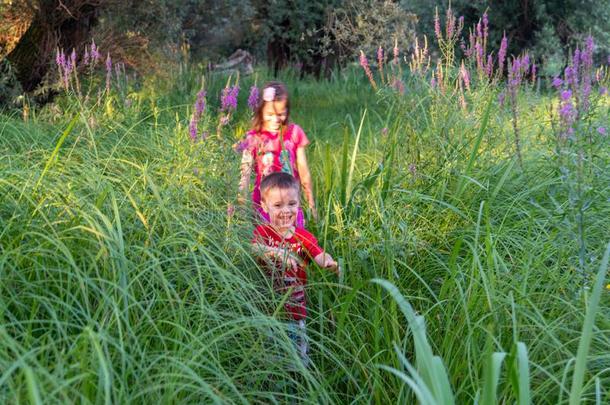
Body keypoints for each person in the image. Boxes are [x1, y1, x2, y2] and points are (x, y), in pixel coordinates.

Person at [252, 172, 339, 366]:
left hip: (295, 309)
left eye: (291, 204)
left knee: (297, 353)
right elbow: (253, 248)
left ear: (298, 203)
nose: (286, 211)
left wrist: (329, 262)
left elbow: (319, 254)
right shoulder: (263, 233)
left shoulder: (303, 237)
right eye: (277, 205)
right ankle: (273, 380)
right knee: (271, 352)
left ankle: (298, 380)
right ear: (265, 206)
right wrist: (275, 252)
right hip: (268, 307)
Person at [236, 81, 317, 226]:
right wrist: (242, 207)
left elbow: (304, 172)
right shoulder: (254, 137)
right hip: (265, 207)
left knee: (295, 241)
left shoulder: (294, 133)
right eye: (270, 114)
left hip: (291, 205)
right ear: (260, 111)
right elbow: (245, 174)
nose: (275, 119)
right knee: (267, 244)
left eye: (281, 114)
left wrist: (311, 203)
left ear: (287, 111)